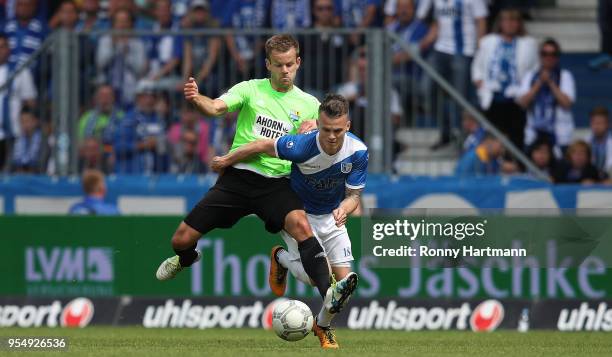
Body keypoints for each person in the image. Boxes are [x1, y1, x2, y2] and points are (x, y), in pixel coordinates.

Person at [155, 36, 354, 343]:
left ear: (298, 63)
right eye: (278, 65)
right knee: (180, 240)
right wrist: (198, 99)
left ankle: (328, 304)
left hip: (277, 183)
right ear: (268, 65)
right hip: (238, 179)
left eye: (290, 64)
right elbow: (217, 107)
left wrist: (312, 131)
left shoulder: (310, 105)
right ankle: (186, 259)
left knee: (302, 226)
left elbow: (324, 139)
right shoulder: (249, 88)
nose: (285, 70)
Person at [211, 94, 364, 349]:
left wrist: (344, 208)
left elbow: (354, 195)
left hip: (332, 218)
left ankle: (322, 325)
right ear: (318, 123)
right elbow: (260, 145)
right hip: (299, 216)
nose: (332, 136)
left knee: (343, 289)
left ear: (347, 126)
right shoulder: (302, 145)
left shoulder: (358, 152)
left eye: (338, 130)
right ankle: (281, 257)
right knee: (319, 279)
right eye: (326, 129)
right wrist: (226, 160)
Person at [419, 0, 488, 149]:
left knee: (459, 98)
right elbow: (438, 24)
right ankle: (446, 130)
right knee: (425, 89)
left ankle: (461, 138)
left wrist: (481, 52)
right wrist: (424, 42)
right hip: (440, 49)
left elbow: (481, 21)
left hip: (464, 51)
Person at [471, 8, 538, 151]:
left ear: (519, 23)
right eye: (506, 20)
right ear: (500, 23)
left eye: (514, 20)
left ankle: (515, 167)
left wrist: (527, 91)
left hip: (516, 100)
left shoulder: (529, 44)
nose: (510, 24)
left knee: (516, 139)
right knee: (490, 140)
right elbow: (477, 67)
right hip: (492, 99)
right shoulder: (487, 42)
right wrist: (480, 82)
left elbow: (534, 71)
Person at [517, 38, 575, 154]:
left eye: (553, 54)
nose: (549, 57)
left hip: (559, 136)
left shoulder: (565, 76)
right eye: (545, 54)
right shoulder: (530, 76)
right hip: (533, 136)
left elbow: (567, 103)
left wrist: (550, 83)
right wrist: (538, 83)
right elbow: (522, 103)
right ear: (540, 56)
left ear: (557, 57)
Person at [96, 8, 147, 108]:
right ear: (113, 24)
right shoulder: (105, 41)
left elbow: (140, 69)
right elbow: (100, 63)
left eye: (125, 22)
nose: (122, 25)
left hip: (130, 90)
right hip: (108, 87)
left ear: (131, 24)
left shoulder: (138, 44)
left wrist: (127, 54)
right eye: (119, 22)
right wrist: (114, 48)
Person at [0, 33, 36, 170]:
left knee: (9, 174)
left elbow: (31, 102)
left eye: (3, 47)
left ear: (9, 49)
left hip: (13, 133)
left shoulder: (20, 71)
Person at [10, 107, 41, 173]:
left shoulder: (44, 141)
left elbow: (43, 164)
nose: (24, 125)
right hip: (18, 177)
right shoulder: (16, 140)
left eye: (27, 121)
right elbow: (9, 165)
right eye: (22, 122)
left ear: (35, 121)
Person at [585, 106, 612, 175]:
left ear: (607, 124)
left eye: (600, 123)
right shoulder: (584, 142)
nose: (597, 126)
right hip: (591, 179)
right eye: (594, 123)